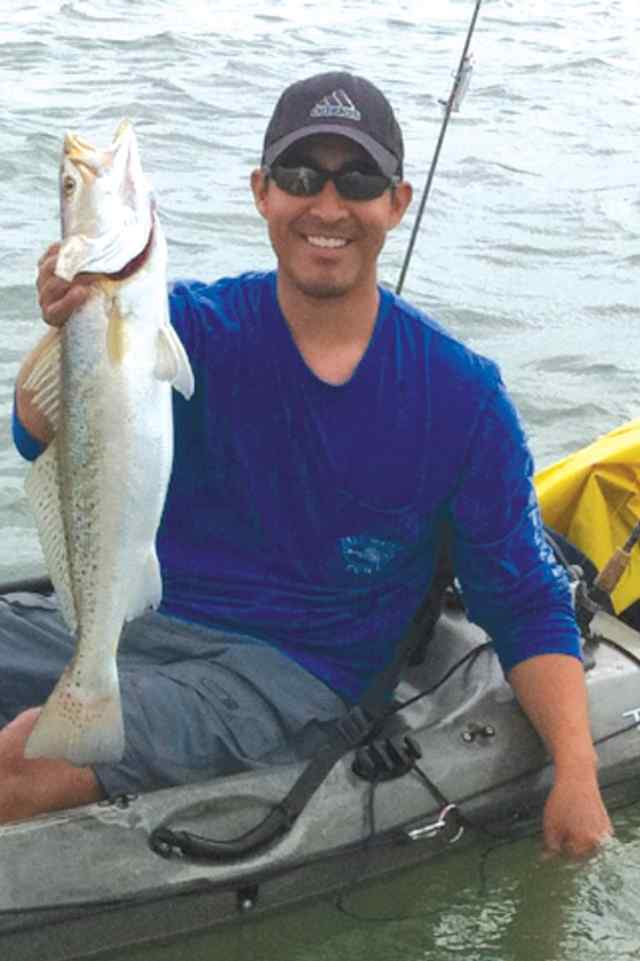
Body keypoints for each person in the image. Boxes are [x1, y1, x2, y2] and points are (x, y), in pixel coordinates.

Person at [4, 71, 611, 856]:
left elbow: (525, 600)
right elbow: (33, 434)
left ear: (397, 202)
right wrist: (69, 321)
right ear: (261, 193)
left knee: (27, 755)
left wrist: (577, 770)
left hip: (296, 676)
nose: (327, 206)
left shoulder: (461, 396)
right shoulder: (184, 323)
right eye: (299, 176)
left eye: (357, 179)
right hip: (139, 621)